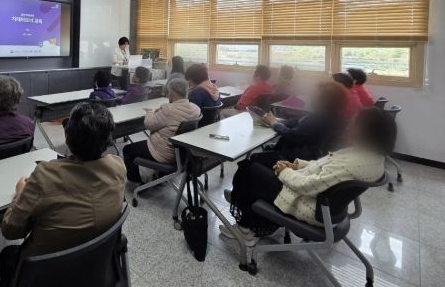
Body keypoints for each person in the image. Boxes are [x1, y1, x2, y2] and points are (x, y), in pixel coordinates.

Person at [0, 102, 126, 287]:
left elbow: (10, 230)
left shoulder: (44, 176)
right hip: (97, 273)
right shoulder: (118, 166)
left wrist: (20, 193)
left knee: (8, 255)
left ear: (67, 136)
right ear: (108, 139)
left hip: (45, 280)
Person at [223, 108, 396, 245]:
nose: (350, 126)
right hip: (323, 202)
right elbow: (325, 167)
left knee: (249, 169)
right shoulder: (373, 157)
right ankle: (249, 206)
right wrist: (296, 165)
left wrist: (285, 172)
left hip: (307, 204)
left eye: (354, 123)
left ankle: (244, 228)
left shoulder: (353, 162)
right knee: (264, 164)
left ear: (363, 130)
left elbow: (306, 186)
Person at [122, 78, 201, 183]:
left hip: (162, 153)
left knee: (127, 150)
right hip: (182, 154)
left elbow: (149, 124)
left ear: (171, 94)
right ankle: (160, 174)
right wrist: (161, 111)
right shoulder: (195, 109)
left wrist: (149, 112)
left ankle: (135, 180)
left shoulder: (168, 109)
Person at [260, 81, 349, 162]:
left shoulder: (318, 120)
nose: (311, 97)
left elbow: (291, 134)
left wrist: (274, 124)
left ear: (323, 100)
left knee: (254, 159)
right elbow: (297, 121)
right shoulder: (330, 116)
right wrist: (276, 120)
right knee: (267, 148)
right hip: (304, 153)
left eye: (315, 95)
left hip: (292, 158)